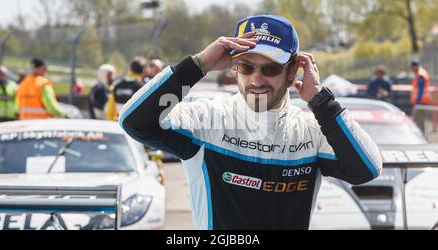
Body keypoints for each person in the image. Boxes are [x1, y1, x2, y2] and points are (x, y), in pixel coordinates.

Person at [119, 14, 382, 230]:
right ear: (234, 68)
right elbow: (134, 122)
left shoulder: (311, 130)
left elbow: (366, 169)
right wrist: (199, 64)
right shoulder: (207, 119)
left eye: (269, 69)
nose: (256, 80)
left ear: (292, 72)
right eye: (246, 67)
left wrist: (322, 103)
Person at [105, 57, 147, 121]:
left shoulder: (117, 85)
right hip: (133, 126)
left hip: (117, 123)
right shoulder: (144, 88)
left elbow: (110, 109)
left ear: (130, 69)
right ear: (144, 70)